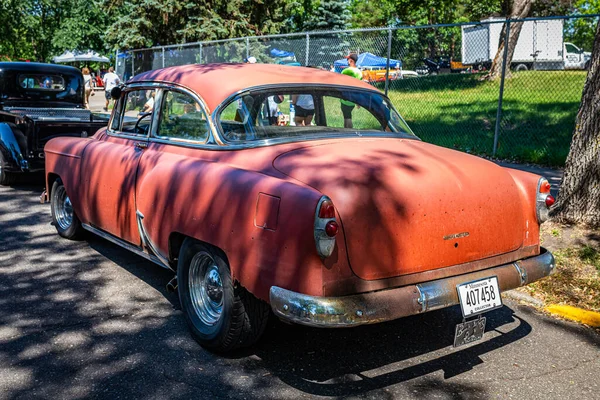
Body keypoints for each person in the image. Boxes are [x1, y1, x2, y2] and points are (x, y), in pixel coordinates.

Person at [340, 53, 362, 128]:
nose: (347, 61)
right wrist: (358, 101)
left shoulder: (346, 71)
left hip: (345, 98)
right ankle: (347, 131)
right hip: (354, 98)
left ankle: (348, 132)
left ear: (351, 61)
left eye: (348, 59)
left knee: (347, 117)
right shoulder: (359, 72)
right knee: (348, 116)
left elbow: (341, 83)